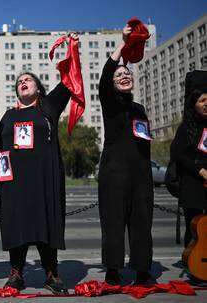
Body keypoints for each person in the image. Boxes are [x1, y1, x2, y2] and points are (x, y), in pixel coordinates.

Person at [0, 34, 79, 295]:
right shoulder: (9, 115)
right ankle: (16, 274)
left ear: (38, 88)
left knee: (44, 222)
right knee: (16, 224)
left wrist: (72, 48)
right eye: (19, 82)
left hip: (43, 178)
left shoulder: (48, 107)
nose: (23, 83)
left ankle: (51, 273)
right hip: (13, 181)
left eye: (28, 80)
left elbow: (71, 79)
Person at [97, 24, 154, 285]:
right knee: (114, 223)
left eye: (127, 73)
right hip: (114, 174)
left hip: (141, 174)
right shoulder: (110, 103)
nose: (123, 76)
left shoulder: (139, 108)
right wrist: (122, 44)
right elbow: (107, 74)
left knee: (142, 223)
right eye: (119, 74)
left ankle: (143, 270)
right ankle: (113, 269)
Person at [170, 70, 207, 249]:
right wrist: (201, 171)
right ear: (194, 104)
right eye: (202, 101)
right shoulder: (186, 127)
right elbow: (180, 155)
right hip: (193, 185)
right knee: (194, 229)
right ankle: (193, 263)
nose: (206, 104)